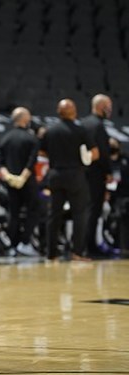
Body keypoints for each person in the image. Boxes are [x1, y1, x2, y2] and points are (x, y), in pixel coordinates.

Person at [39, 99, 98, 261]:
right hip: (75, 175)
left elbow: (42, 152)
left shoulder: (49, 131)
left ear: (59, 112)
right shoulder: (81, 130)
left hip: (55, 175)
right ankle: (77, 252)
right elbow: (95, 153)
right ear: (74, 112)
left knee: (54, 215)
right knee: (79, 214)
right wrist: (85, 158)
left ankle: (51, 254)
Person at [0, 107, 41, 257]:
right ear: (23, 119)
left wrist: (8, 176)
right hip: (27, 182)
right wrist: (22, 177)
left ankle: (12, 245)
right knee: (33, 211)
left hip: (10, 182)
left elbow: (0, 163)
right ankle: (25, 242)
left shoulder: (5, 139)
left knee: (13, 213)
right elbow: (31, 161)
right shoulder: (31, 138)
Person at [81, 94, 113, 257]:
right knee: (93, 211)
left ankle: (86, 246)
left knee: (87, 210)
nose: (111, 109)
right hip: (96, 174)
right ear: (101, 106)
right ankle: (90, 247)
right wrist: (108, 171)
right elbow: (102, 152)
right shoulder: (98, 125)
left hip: (83, 173)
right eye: (109, 106)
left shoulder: (83, 123)